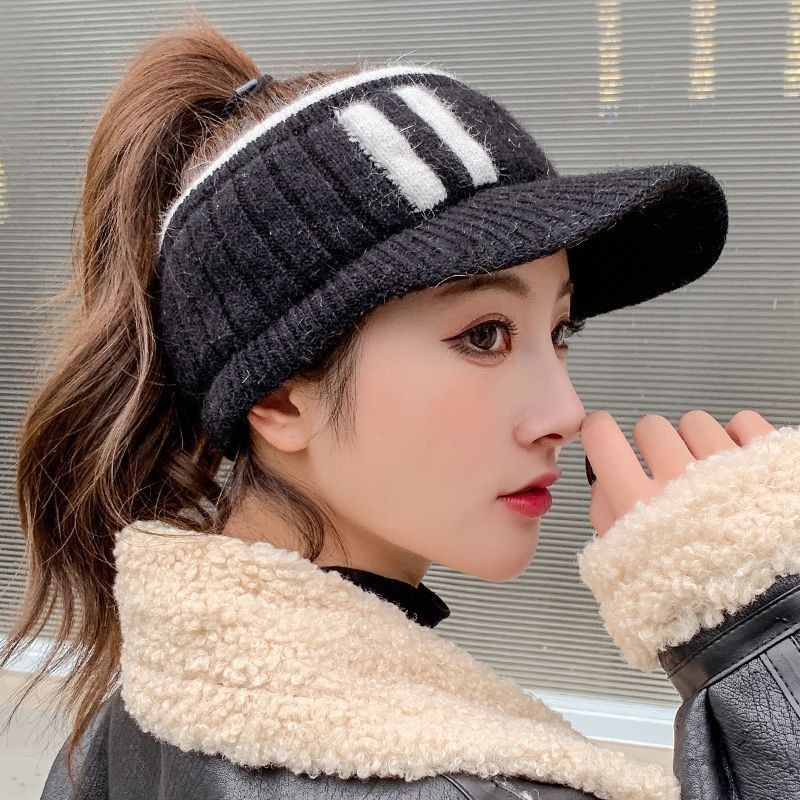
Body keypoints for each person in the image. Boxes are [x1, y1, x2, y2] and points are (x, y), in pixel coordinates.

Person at [3, 13, 797, 800]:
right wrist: (765, 637)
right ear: (279, 394)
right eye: (484, 334)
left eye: (560, 331)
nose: (566, 411)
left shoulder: (141, 714)